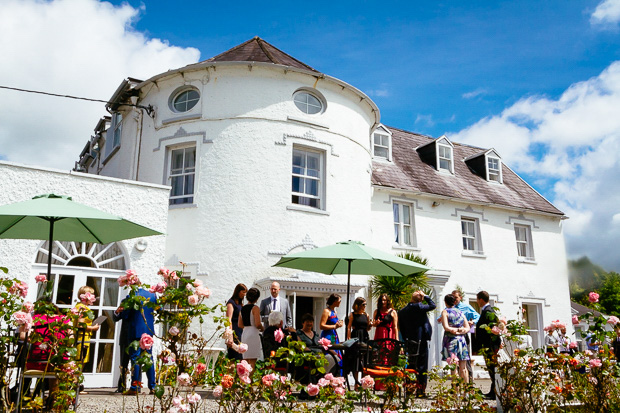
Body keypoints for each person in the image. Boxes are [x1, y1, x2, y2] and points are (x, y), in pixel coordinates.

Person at [115, 287, 157, 395]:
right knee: (149, 358)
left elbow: (126, 315)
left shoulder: (131, 296)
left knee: (135, 359)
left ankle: (135, 387)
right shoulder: (152, 296)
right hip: (148, 330)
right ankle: (153, 387)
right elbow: (157, 310)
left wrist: (120, 312)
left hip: (135, 331)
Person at [398, 290, 436, 397]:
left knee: (411, 364)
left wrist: (405, 339)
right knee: (422, 366)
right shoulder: (419, 307)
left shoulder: (402, 311)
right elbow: (433, 305)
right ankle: (420, 390)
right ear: (420, 301)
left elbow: (402, 328)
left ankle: (409, 388)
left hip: (409, 341)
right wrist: (425, 296)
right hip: (421, 340)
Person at [72, 285, 100, 394]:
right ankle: (75, 386)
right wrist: (93, 327)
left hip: (85, 337)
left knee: (81, 361)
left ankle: (76, 385)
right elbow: (80, 324)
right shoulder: (81, 307)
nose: (93, 297)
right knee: (79, 361)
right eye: (91, 295)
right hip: (81, 337)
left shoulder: (82, 307)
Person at [475, 290, 500, 400]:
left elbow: (491, 329)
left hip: (490, 345)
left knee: (492, 368)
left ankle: (495, 391)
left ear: (480, 299)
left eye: (477, 300)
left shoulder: (489, 311)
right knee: (491, 369)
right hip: (487, 345)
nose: (477, 302)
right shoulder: (486, 311)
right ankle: (493, 390)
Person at [440, 293, 470, 382]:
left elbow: (446, 327)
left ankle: (456, 393)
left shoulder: (445, 312)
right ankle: (466, 392)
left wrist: (454, 330)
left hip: (451, 340)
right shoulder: (460, 312)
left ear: (445, 302)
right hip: (461, 340)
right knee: (463, 368)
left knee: (453, 368)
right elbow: (467, 327)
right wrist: (461, 330)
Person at [452, 290, 479, 383]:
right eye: (453, 298)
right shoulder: (450, 308)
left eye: (455, 297)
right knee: (454, 361)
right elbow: (440, 318)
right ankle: (455, 385)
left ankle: (469, 384)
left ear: (460, 297)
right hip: (453, 336)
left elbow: (477, 316)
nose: (454, 300)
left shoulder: (466, 307)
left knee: (465, 360)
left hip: (463, 335)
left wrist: (473, 321)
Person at [345, 297, 371, 388]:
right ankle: (356, 383)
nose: (364, 306)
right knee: (356, 359)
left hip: (364, 336)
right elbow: (349, 326)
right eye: (363, 304)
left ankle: (364, 382)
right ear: (358, 305)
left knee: (364, 358)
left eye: (365, 305)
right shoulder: (352, 315)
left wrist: (371, 324)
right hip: (356, 335)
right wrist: (348, 337)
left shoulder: (366, 315)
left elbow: (368, 327)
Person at [239, 287, 264, 370]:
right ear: (257, 298)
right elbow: (257, 324)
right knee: (252, 360)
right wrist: (262, 328)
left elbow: (240, 324)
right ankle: (249, 380)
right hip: (253, 333)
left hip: (245, 332)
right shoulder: (255, 308)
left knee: (245, 360)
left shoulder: (242, 308)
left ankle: (243, 379)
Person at [225, 283, 247, 360]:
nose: (244, 294)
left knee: (241, 357)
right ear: (238, 291)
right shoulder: (231, 303)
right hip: (234, 331)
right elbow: (228, 320)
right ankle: (230, 372)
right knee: (233, 357)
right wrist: (230, 336)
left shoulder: (240, 304)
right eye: (243, 292)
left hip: (241, 332)